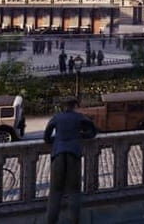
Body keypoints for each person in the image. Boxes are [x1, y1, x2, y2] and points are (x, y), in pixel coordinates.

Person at [44, 96, 97, 224]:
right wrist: (81, 135)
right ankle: (74, 220)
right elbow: (93, 131)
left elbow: (46, 136)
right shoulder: (79, 117)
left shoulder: (57, 117)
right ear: (74, 105)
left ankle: (51, 220)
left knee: (55, 191)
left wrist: (56, 140)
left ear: (63, 106)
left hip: (58, 153)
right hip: (73, 153)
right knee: (74, 191)